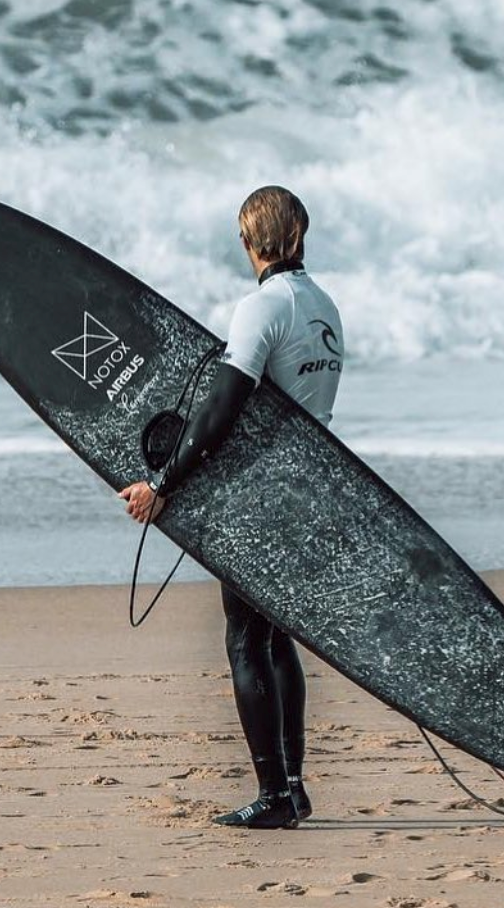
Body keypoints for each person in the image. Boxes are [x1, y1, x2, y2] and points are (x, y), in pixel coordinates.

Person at [119, 186, 344, 830]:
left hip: (265, 496)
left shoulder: (262, 307)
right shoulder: (324, 307)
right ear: (299, 232)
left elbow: (221, 409)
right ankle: (294, 787)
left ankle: (274, 795)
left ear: (248, 242)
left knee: (246, 636)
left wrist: (163, 483)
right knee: (275, 638)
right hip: (311, 488)